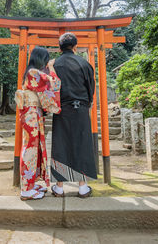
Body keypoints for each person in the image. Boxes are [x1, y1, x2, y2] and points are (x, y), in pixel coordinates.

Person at [50, 33, 96, 198]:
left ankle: (59, 187)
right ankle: (83, 187)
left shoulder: (54, 65)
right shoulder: (85, 63)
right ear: (75, 47)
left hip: (62, 109)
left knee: (60, 145)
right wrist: (87, 103)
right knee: (82, 144)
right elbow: (91, 88)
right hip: (81, 109)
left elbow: (51, 88)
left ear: (59, 48)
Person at [15, 47, 61, 201]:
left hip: (32, 113)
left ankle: (30, 183)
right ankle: (26, 190)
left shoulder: (31, 72)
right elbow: (54, 84)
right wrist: (52, 67)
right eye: (46, 59)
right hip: (31, 113)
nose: (47, 62)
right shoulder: (33, 73)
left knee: (35, 149)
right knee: (30, 149)